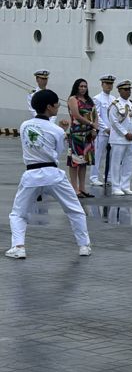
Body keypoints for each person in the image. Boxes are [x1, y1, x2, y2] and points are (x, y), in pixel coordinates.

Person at [5, 89, 92, 259]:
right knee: (75, 210)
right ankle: (84, 246)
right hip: (53, 174)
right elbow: (58, 151)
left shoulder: (24, 126)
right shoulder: (57, 131)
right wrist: (62, 131)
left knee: (18, 213)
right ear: (49, 107)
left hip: (31, 174)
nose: (58, 107)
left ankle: (18, 246)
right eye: (56, 104)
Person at [66, 78, 98, 198]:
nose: (83, 88)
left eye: (85, 86)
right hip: (77, 134)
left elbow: (95, 115)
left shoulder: (89, 100)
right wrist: (91, 124)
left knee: (84, 162)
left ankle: (82, 188)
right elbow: (76, 115)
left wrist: (94, 129)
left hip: (88, 135)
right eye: (81, 86)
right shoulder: (73, 99)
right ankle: (74, 189)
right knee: (75, 162)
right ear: (76, 87)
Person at [108, 80, 132, 196]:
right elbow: (114, 122)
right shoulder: (115, 104)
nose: (128, 92)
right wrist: (125, 133)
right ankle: (116, 187)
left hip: (131, 139)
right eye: (125, 89)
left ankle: (125, 185)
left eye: (129, 89)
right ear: (119, 90)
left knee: (128, 163)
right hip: (119, 139)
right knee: (116, 163)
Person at [90, 74, 116, 187]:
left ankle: (108, 176)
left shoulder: (114, 99)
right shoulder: (97, 98)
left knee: (111, 156)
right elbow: (96, 116)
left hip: (113, 132)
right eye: (107, 83)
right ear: (102, 84)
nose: (109, 86)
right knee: (98, 155)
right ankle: (94, 177)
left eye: (111, 84)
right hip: (102, 131)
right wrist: (105, 128)